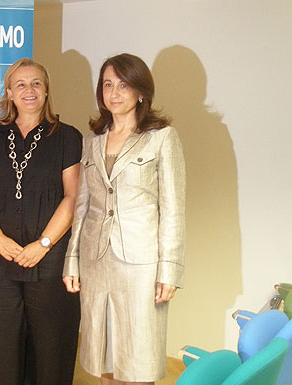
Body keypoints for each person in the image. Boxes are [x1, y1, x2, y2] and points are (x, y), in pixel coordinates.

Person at [63, 53, 185, 385]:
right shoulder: (91, 142)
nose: (114, 93)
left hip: (141, 265)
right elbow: (82, 207)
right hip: (96, 261)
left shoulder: (162, 137)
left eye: (124, 84)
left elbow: (172, 208)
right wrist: (71, 261)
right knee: (103, 360)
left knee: (138, 360)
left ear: (141, 92)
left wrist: (170, 269)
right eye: (107, 84)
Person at [0, 58, 82, 385]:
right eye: (21, 85)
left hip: (50, 260)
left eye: (36, 84)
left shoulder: (68, 137)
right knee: (0, 351)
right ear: (9, 93)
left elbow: (73, 197)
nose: (28, 90)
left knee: (52, 351)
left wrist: (43, 245)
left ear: (46, 91)